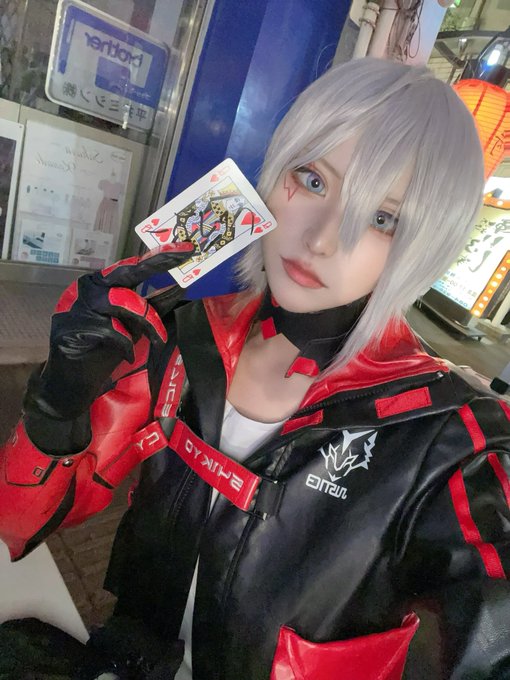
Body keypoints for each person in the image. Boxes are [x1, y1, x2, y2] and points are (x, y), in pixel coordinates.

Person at [0, 57, 509, 680]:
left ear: (422, 246)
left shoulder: (451, 437)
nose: (321, 239)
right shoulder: (181, 335)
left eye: (383, 219)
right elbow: (18, 525)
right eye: (313, 180)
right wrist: (58, 402)